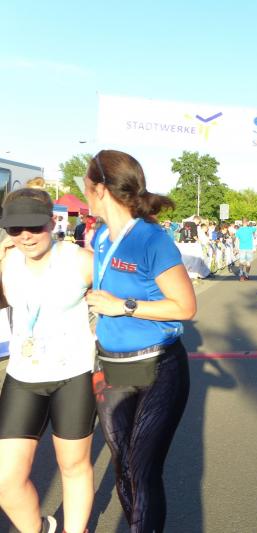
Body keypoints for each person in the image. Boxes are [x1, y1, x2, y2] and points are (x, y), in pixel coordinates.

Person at [83, 149, 196, 533]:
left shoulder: (151, 239)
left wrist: (124, 306)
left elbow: (185, 306)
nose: (84, 193)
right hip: (112, 366)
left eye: (86, 186)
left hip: (158, 366)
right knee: (124, 468)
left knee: (143, 469)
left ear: (99, 188)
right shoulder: (100, 237)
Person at [0, 188, 95, 533]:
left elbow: (126, 295)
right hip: (23, 377)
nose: (25, 236)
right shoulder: (7, 262)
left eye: (34, 226)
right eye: (15, 229)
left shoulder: (81, 261)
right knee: (6, 481)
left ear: (52, 222)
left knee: (73, 466)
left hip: (73, 375)